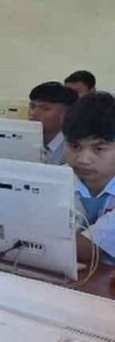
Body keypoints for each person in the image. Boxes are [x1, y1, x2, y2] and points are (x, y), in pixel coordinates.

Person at [64, 93, 115, 263]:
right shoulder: (55, 179)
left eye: (98, 149)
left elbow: (89, 248)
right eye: (75, 146)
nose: (83, 159)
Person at [28, 81, 77, 165]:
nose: (33, 113)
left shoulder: (75, 148)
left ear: (66, 114)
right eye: (32, 107)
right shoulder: (23, 141)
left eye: (45, 109)